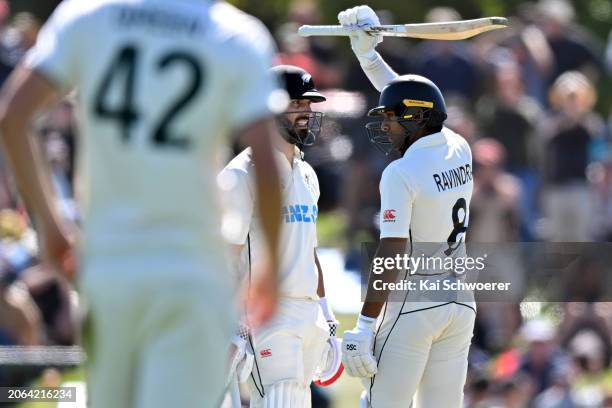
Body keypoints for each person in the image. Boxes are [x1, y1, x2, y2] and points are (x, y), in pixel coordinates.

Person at [0, 1, 284, 407]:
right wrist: (271, 266)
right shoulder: (237, 34)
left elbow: (13, 116)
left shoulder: (87, 16)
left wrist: (50, 225)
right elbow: (267, 163)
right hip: (192, 269)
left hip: (108, 267)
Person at [337, 6, 476, 408]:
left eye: (393, 118)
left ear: (415, 118)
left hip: (414, 306)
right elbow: (409, 94)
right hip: (459, 301)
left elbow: (391, 253)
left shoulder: (401, 172)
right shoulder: (458, 146)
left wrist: (365, 323)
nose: (385, 125)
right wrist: (369, 57)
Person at [218, 64, 343, 407]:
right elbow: (225, 255)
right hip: (266, 316)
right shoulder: (242, 175)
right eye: (296, 104)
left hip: (307, 316)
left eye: (308, 105)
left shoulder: (307, 173)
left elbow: (310, 253)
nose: (305, 113)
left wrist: (327, 316)